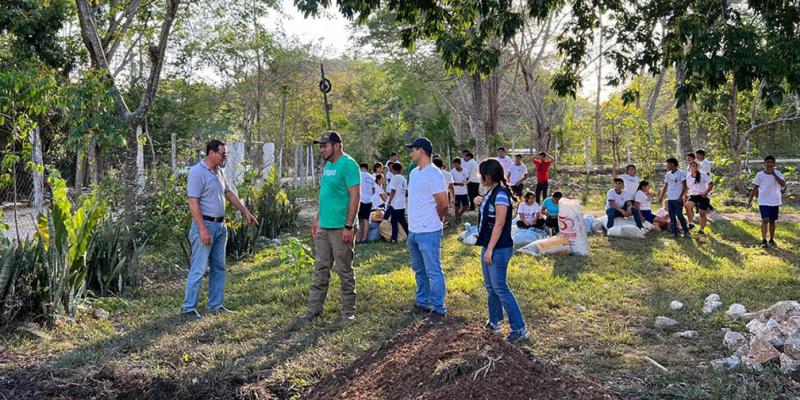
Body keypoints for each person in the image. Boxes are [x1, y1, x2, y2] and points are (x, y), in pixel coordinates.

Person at [183, 140, 258, 319]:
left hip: (220, 226)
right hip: (205, 226)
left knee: (219, 267)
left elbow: (228, 193)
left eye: (225, 154)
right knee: (199, 269)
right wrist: (202, 229)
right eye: (222, 154)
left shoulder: (219, 172)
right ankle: (188, 308)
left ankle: (215, 304)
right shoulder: (197, 172)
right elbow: (193, 202)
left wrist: (245, 212)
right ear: (211, 153)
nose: (225, 157)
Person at [301, 131, 361, 322]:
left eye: (325, 146)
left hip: (340, 227)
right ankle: (314, 310)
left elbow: (355, 197)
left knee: (344, 270)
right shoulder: (327, 165)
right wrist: (318, 219)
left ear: (336, 146)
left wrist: (348, 226)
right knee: (321, 268)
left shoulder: (349, 164)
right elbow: (325, 194)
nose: (322, 150)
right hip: (324, 226)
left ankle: (348, 311)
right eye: (321, 146)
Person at [475, 158, 529, 343]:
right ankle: (495, 322)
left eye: (482, 174)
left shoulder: (500, 195)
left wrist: (490, 249)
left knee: (500, 287)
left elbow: (499, 224)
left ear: (489, 175)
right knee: (491, 287)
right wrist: (479, 203)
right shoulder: (493, 192)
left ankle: (519, 328)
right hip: (489, 246)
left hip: (498, 248)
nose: (480, 177)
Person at [405, 137, 449, 318]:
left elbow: (443, 204)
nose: (411, 153)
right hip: (414, 231)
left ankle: (438, 307)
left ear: (421, 150)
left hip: (429, 230)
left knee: (433, 270)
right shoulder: (414, 173)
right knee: (419, 270)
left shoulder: (434, 173)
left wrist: (434, 220)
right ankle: (423, 302)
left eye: (412, 150)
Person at [748, 155, 786, 248]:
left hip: (775, 201)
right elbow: (755, 188)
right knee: (765, 220)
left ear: (774, 164)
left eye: (771, 162)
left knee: (772, 221)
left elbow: (783, 184)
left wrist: (774, 174)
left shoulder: (778, 173)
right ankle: (764, 240)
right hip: (763, 201)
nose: (769, 164)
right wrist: (750, 199)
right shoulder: (760, 174)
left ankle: (771, 239)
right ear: (764, 164)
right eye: (767, 162)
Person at [659, 157, 690, 238]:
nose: (667, 166)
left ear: (673, 164)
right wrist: (661, 197)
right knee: (672, 216)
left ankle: (686, 231)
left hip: (678, 199)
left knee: (680, 215)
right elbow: (665, 186)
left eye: (668, 164)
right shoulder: (668, 174)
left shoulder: (681, 173)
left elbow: (685, 185)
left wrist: (681, 197)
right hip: (670, 198)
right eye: (667, 164)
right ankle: (674, 232)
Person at [684, 161, 714, 235]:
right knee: (687, 206)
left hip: (703, 195)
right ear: (689, 167)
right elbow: (688, 187)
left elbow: (711, 184)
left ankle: (701, 230)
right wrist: (685, 195)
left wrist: (706, 192)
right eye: (693, 166)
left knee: (702, 213)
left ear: (698, 167)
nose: (694, 167)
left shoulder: (703, 175)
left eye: (696, 166)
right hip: (694, 195)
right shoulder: (688, 177)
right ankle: (691, 224)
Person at [386, 162, 409, 243]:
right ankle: (408, 236)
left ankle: (394, 238)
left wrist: (389, 201)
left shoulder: (394, 178)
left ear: (393, 169)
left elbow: (393, 190)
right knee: (402, 221)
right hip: (402, 203)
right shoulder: (404, 179)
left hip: (395, 204)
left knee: (394, 221)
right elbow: (406, 192)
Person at [358, 163, 376, 243]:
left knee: (357, 220)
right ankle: (364, 239)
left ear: (360, 167)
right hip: (369, 201)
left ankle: (358, 239)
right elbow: (373, 191)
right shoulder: (371, 177)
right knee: (365, 220)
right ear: (367, 168)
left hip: (360, 200)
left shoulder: (358, 175)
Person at [450, 158, 470, 225]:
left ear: (460, 164)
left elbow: (467, 177)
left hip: (464, 191)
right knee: (457, 206)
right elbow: (451, 183)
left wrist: (466, 181)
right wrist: (459, 184)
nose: (455, 166)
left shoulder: (465, 170)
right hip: (456, 192)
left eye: (456, 164)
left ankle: (459, 215)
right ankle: (457, 220)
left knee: (466, 205)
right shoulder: (452, 172)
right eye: (454, 164)